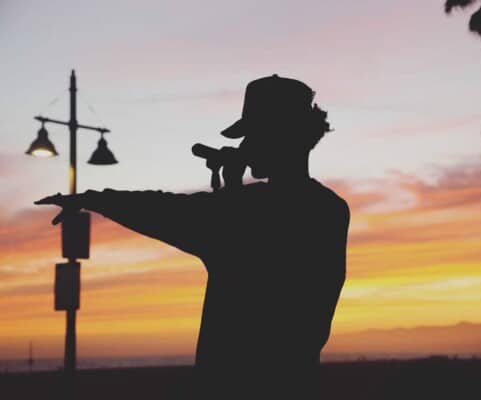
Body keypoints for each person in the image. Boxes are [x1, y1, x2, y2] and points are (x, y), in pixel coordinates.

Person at [36, 74, 350, 399]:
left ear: (276, 136)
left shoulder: (245, 210)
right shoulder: (331, 211)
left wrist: (89, 198)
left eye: (251, 135)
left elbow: (164, 210)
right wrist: (231, 192)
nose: (244, 146)